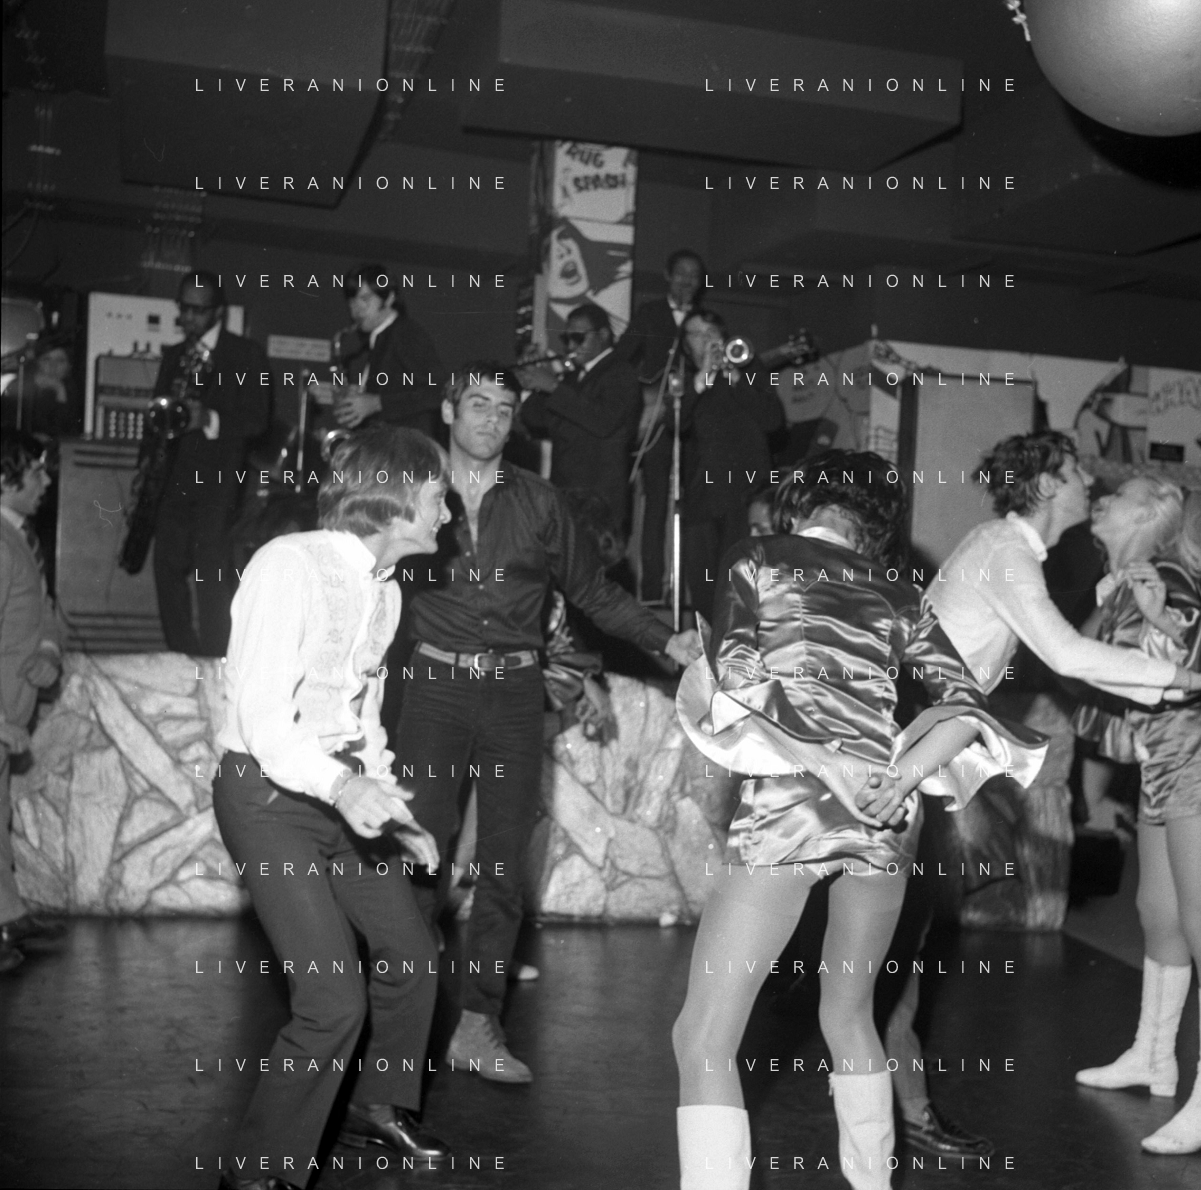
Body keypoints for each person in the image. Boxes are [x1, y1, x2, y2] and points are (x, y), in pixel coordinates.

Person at [672, 450, 1046, 1190]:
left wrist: (822, 762)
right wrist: (899, 776)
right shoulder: (897, 590)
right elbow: (966, 709)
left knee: (703, 1038)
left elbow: (738, 687)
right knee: (849, 1017)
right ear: (875, 524)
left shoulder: (757, 557)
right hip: (887, 813)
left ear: (799, 500)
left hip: (794, 806)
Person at [880, 432, 1201, 1159]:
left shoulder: (1019, 552)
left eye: (1109, 487)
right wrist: (1181, 676)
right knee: (894, 942)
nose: (1093, 483)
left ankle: (899, 1112)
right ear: (1049, 485)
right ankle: (898, 1113)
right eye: (1079, 471)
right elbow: (1062, 654)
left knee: (897, 941)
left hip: (1170, 761)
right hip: (916, 745)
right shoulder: (1008, 550)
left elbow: (1057, 648)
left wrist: (1150, 635)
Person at [395, 362, 701, 1083]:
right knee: (417, 855)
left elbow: (593, 592)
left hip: (512, 690)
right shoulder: (410, 491)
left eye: (504, 409)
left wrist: (667, 641)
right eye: (477, 404)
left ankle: (477, 1025)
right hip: (434, 686)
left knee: (503, 867)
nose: (491, 420)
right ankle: (398, 1022)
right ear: (448, 410)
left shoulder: (540, 501)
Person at [212, 427, 452, 1190]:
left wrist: (387, 802)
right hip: (267, 796)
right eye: (438, 497)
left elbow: (361, 713)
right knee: (331, 999)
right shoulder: (289, 565)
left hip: (339, 792)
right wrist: (345, 788)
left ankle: (374, 1107)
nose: (447, 514)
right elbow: (261, 719)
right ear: (397, 498)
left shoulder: (386, 590)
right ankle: (256, 1171)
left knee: (412, 956)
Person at [1072, 479, 1201, 1157]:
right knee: (1158, 911)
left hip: (1192, 756)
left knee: (1197, 920)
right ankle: (1153, 1056)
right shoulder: (1135, 579)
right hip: (1161, 758)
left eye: (1119, 494)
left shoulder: (1169, 578)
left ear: (1152, 514)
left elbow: (1176, 664)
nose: (1102, 497)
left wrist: (1160, 621)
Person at [152, 271, 271, 657]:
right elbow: (159, 416)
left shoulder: (246, 354)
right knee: (165, 568)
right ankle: (181, 654)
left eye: (198, 310)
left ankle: (215, 659)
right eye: (184, 308)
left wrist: (210, 419)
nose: (188, 317)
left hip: (218, 482)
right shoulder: (174, 355)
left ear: (219, 312)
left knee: (211, 574)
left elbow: (258, 420)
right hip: (173, 478)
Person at [0, 431, 65, 974]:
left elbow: (45, 611)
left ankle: (8, 914)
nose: (47, 481)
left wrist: (48, 649)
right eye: (37, 471)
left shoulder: (18, 536)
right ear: (5, 479)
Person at [678, 308, 784, 623]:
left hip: (744, 498)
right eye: (697, 335)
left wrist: (737, 377)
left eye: (712, 333)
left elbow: (773, 420)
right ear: (686, 345)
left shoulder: (750, 369)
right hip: (702, 499)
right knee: (704, 593)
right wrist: (700, 381)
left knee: (743, 592)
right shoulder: (686, 381)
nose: (706, 340)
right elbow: (674, 425)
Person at [614, 249, 706, 601]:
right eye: (681, 273)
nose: (687, 281)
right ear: (667, 276)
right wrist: (641, 396)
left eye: (694, 275)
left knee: (691, 502)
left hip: (692, 422)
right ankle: (652, 590)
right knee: (654, 504)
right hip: (655, 421)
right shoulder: (650, 313)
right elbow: (621, 359)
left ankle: (688, 591)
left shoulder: (704, 320)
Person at [518, 302, 643, 535]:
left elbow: (604, 422)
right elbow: (536, 420)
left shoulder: (621, 372)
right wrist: (532, 385)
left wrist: (553, 386)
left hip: (600, 499)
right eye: (566, 339)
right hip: (567, 494)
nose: (571, 346)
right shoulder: (572, 378)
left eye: (578, 338)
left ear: (603, 335)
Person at [329, 265, 448, 437]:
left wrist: (376, 403)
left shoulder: (405, 332)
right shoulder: (381, 338)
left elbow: (439, 390)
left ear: (389, 298)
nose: (356, 309)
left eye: (365, 298)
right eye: (352, 300)